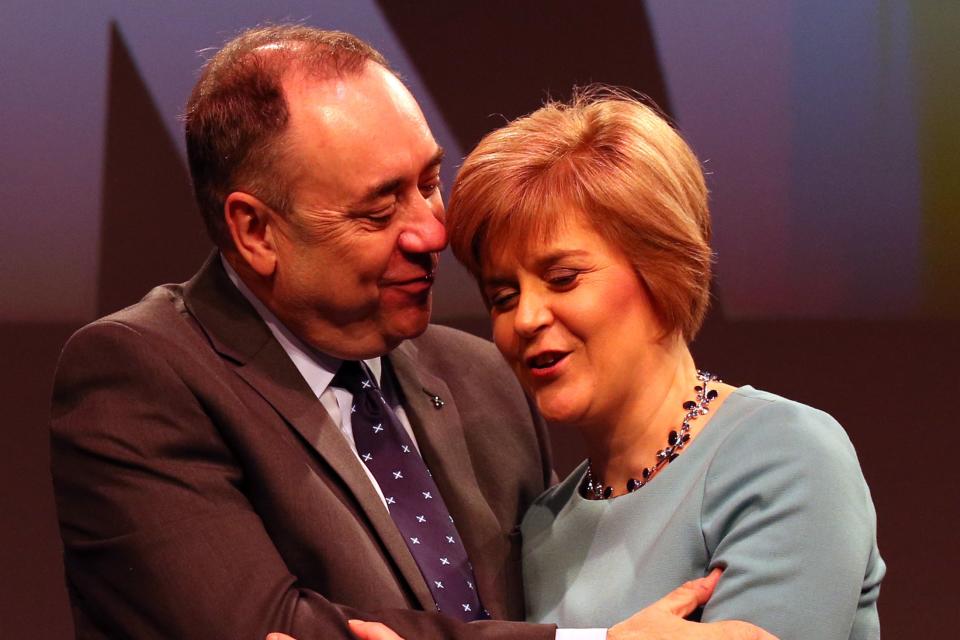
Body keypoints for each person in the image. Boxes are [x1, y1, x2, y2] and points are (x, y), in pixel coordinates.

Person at [49, 26, 774, 640]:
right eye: (378, 211)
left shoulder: (482, 377)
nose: (432, 232)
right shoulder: (139, 377)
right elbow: (273, 624)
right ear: (255, 230)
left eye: (429, 182)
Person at [436, 89, 884, 639]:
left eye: (562, 278)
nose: (525, 318)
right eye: (502, 296)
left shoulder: (784, 454)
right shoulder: (542, 527)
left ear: (661, 269)